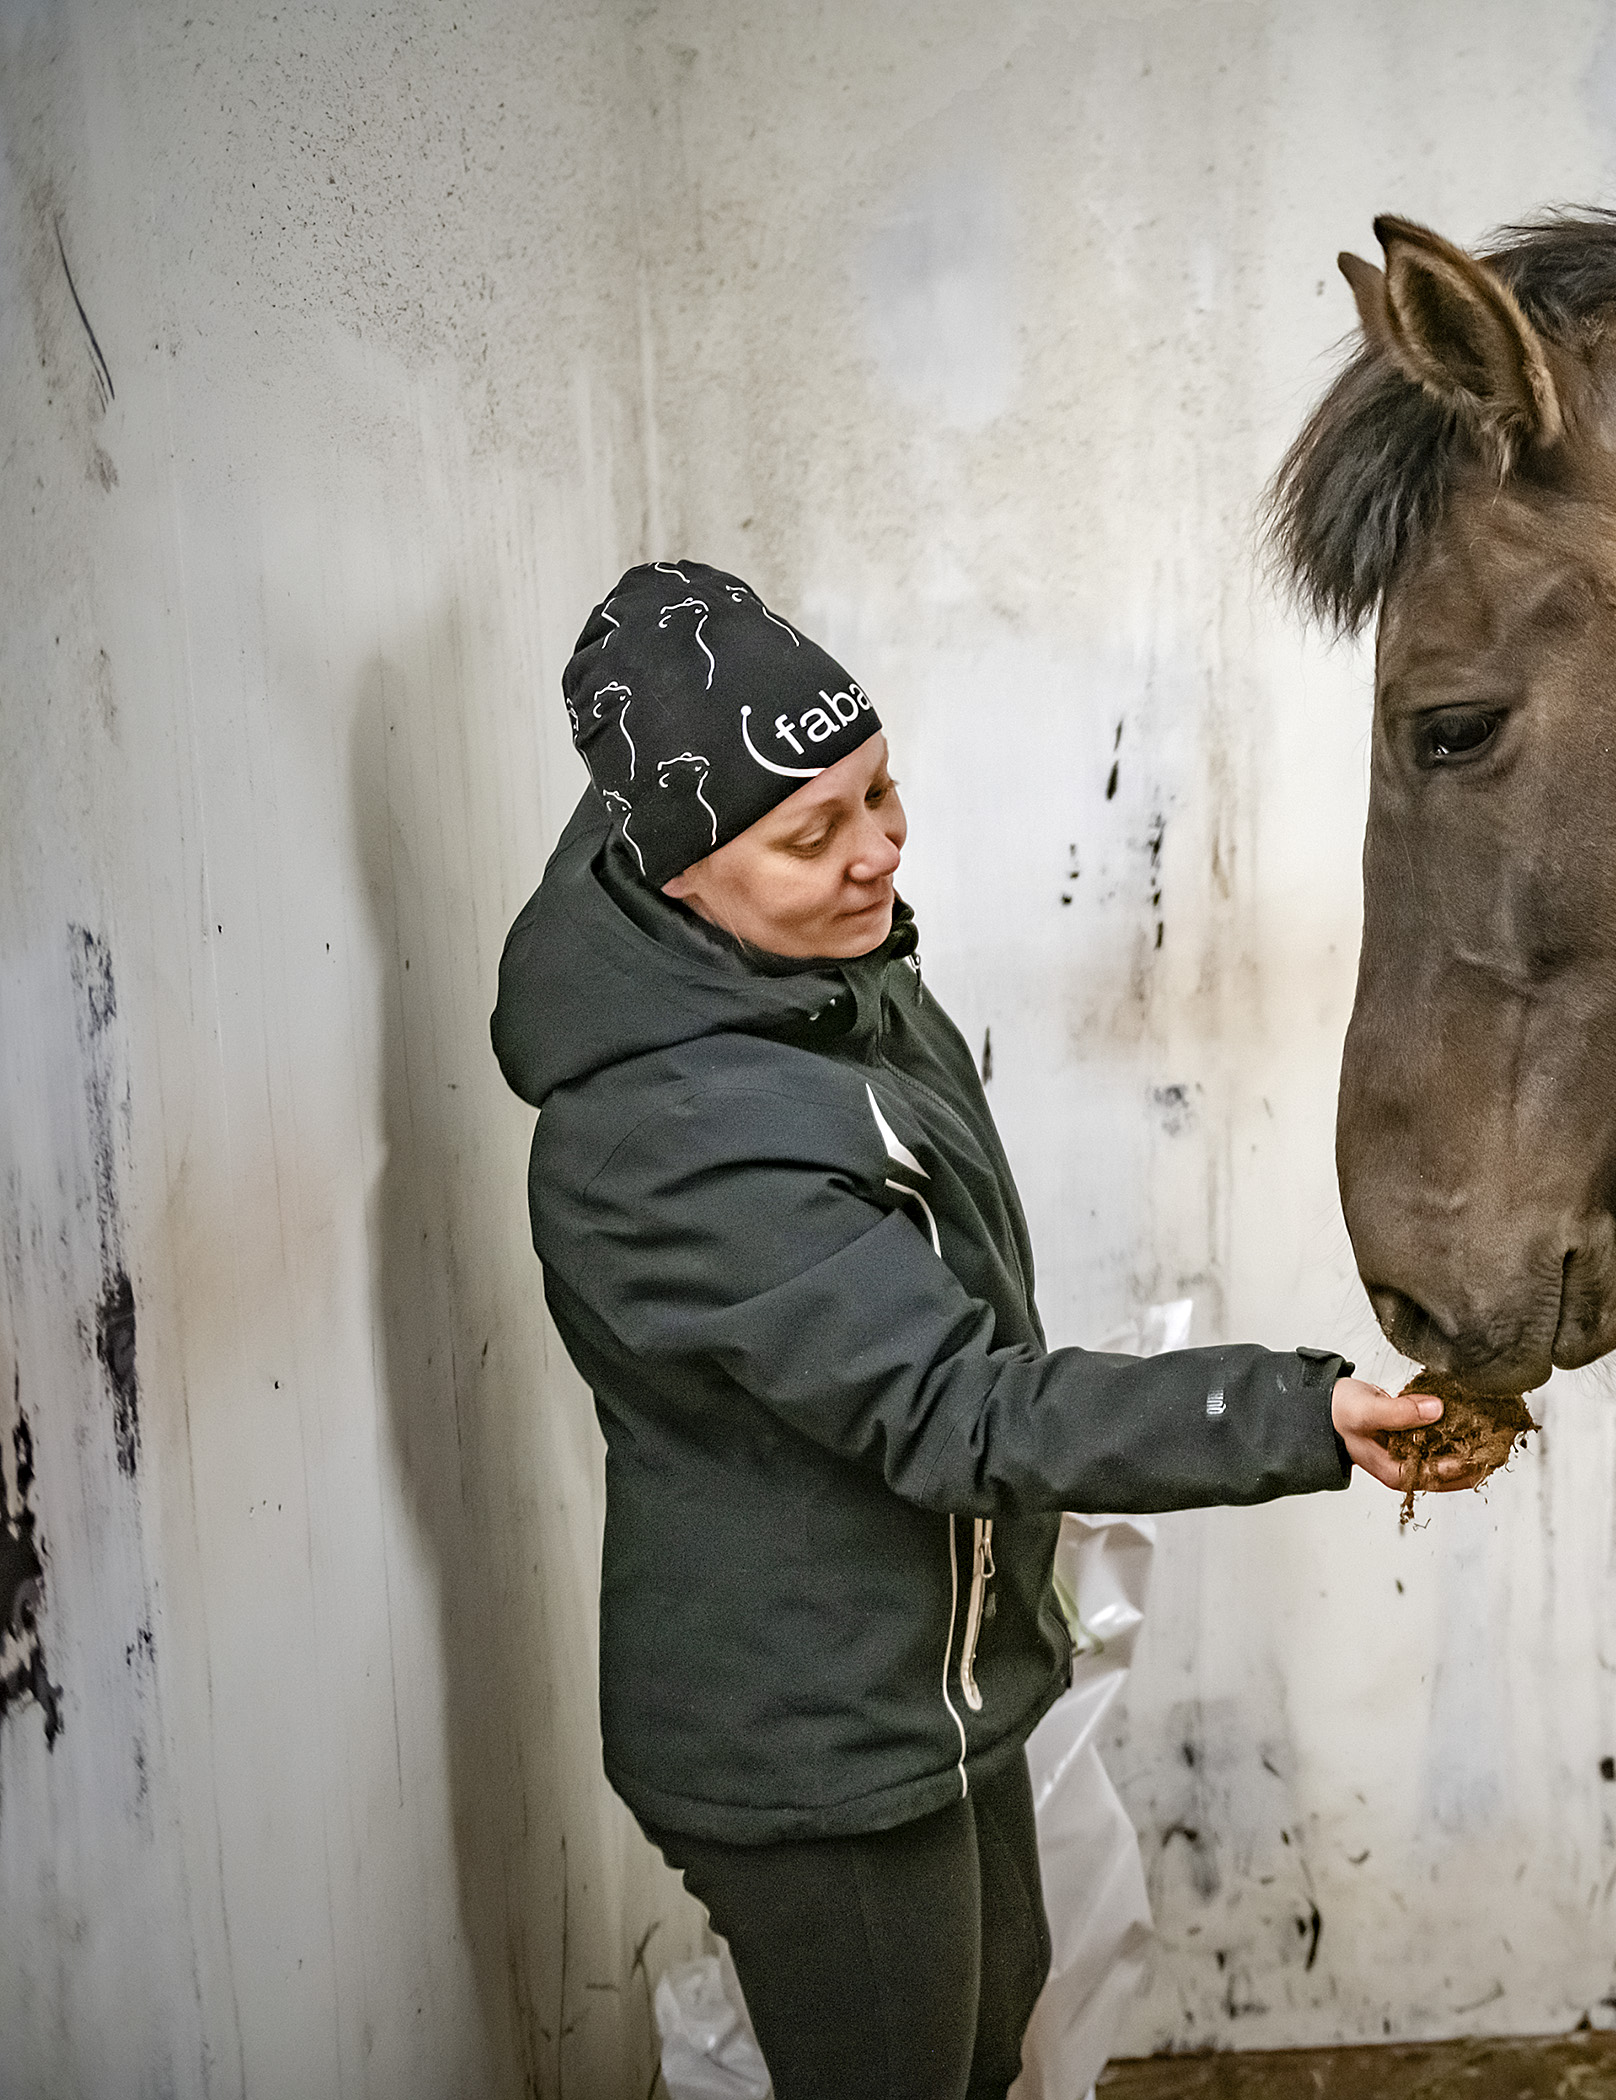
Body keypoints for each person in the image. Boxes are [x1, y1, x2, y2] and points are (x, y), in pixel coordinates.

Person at [491, 561, 1468, 2100]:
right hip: (812, 1740)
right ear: (680, 871)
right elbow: (955, 1412)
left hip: (933, 1675)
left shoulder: (824, 985)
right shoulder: (678, 1135)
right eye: (810, 833)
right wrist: (1291, 1414)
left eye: (880, 794)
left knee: (997, 2007)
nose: (877, 854)